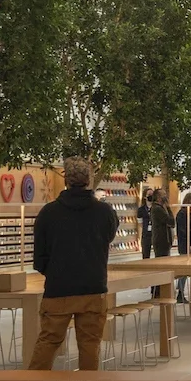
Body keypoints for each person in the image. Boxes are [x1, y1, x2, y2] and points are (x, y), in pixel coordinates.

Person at [30, 159, 119, 370]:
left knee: (48, 341)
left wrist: (54, 272)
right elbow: (108, 237)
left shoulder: (48, 213)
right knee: (89, 344)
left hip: (58, 288)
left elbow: (39, 257)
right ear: (89, 180)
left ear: (65, 180)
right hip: (93, 286)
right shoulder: (105, 212)